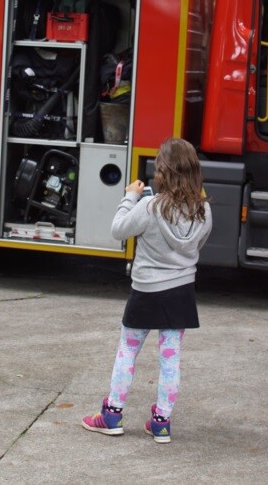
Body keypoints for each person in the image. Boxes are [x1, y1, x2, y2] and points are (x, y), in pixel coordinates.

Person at [81, 137, 213, 444]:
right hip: (180, 292)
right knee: (170, 359)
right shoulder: (204, 211)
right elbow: (197, 246)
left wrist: (129, 197)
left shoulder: (150, 206)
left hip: (146, 291)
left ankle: (112, 415)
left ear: (163, 171)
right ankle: (161, 423)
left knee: (128, 351)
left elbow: (118, 230)